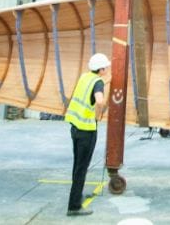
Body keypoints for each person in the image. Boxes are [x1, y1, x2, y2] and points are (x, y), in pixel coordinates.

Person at [65, 53, 111, 216]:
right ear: (102, 69)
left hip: (75, 127)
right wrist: (99, 113)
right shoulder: (98, 82)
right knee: (81, 168)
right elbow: (99, 100)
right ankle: (74, 205)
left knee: (77, 165)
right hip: (87, 130)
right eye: (106, 67)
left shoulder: (85, 77)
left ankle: (76, 196)